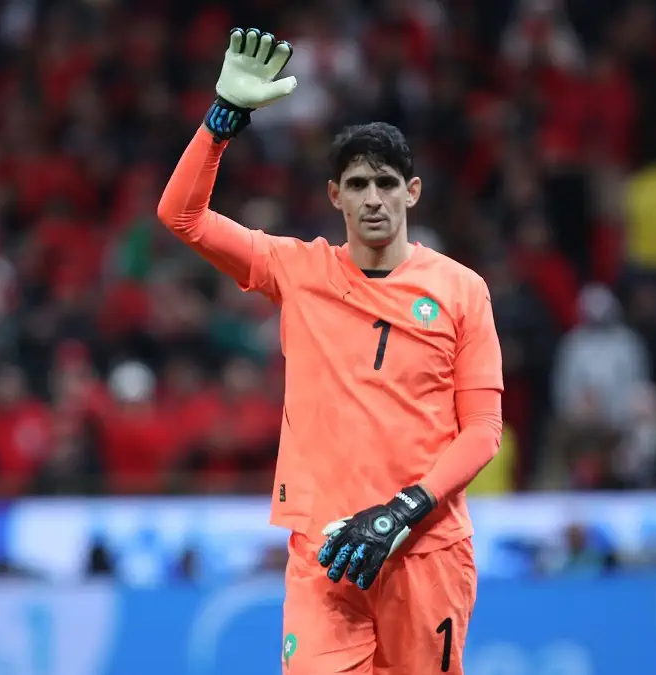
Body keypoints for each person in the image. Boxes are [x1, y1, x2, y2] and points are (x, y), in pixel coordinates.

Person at [157, 28, 504, 675]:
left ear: (412, 191)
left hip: (425, 550)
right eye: (358, 183)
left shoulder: (462, 290)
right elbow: (182, 216)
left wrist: (403, 510)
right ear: (334, 195)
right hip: (325, 552)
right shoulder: (296, 270)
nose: (373, 198)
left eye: (386, 183)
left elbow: (483, 429)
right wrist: (221, 120)